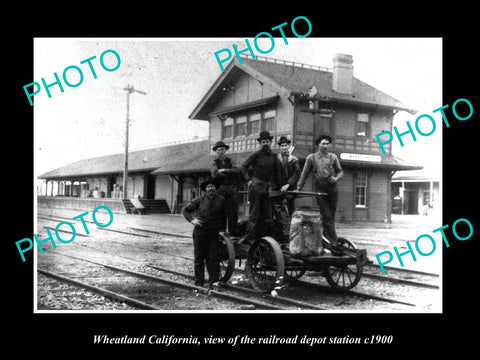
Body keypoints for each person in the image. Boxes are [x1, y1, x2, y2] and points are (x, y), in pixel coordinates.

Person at [296, 134, 344, 246]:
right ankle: (333, 242)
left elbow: (341, 171)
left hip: (333, 190)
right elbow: (304, 175)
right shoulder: (311, 158)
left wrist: (336, 178)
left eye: (327, 144)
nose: (325, 146)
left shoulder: (333, 157)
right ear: (318, 144)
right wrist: (299, 188)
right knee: (326, 216)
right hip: (320, 190)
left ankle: (326, 240)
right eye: (323, 143)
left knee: (330, 217)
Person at [182, 179, 226, 288]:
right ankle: (199, 283)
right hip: (200, 233)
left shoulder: (221, 200)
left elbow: (224, 217)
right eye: (208, 187)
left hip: (214, 234)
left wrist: (223, 230)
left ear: (216, 188)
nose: (211, 189)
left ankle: (214, 283)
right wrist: (192, 220)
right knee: (199, 258)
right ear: (205, 189)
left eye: (212, 187)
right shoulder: (199, 200)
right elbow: (185, 210)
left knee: (213, 259)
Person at [241, 131, 284, 242]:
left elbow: (278, 172)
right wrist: (248, 180)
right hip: (256, 187)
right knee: (254, 213)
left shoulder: (273, 157)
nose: (265, 143)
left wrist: (279, 187)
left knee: (267, 214)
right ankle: (250, 237)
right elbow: (244, 167)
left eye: (267, 141)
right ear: (260, 143)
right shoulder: (256, 155)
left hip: (266, 189)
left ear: (271, 142)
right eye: (263, 141)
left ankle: (264, 238)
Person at [210, 141, 241, 235]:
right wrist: (229, 174)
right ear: (216, 152)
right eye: (218, 150)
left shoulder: (231, 160)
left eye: (222, 149)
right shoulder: (213, 162)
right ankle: (221, 232)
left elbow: (236, 171)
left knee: (233, 212)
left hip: (231, 189)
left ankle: (233, 232)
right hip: (220, 189)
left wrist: (224, 170)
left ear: (226, 150)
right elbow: (214, 174)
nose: (221, 151)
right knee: (220, 211)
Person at [277, 136, 301, 217]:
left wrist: (288, 184)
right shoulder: (276, 159)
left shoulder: (294, 159)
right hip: (278, 188)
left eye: (285, 145)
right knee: (278, 210)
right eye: (282, 146)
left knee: (290, 208)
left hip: (290, 188)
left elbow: (296, 174)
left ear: (289, 146)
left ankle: (290, 226)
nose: (284, 147)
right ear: (280, 147)